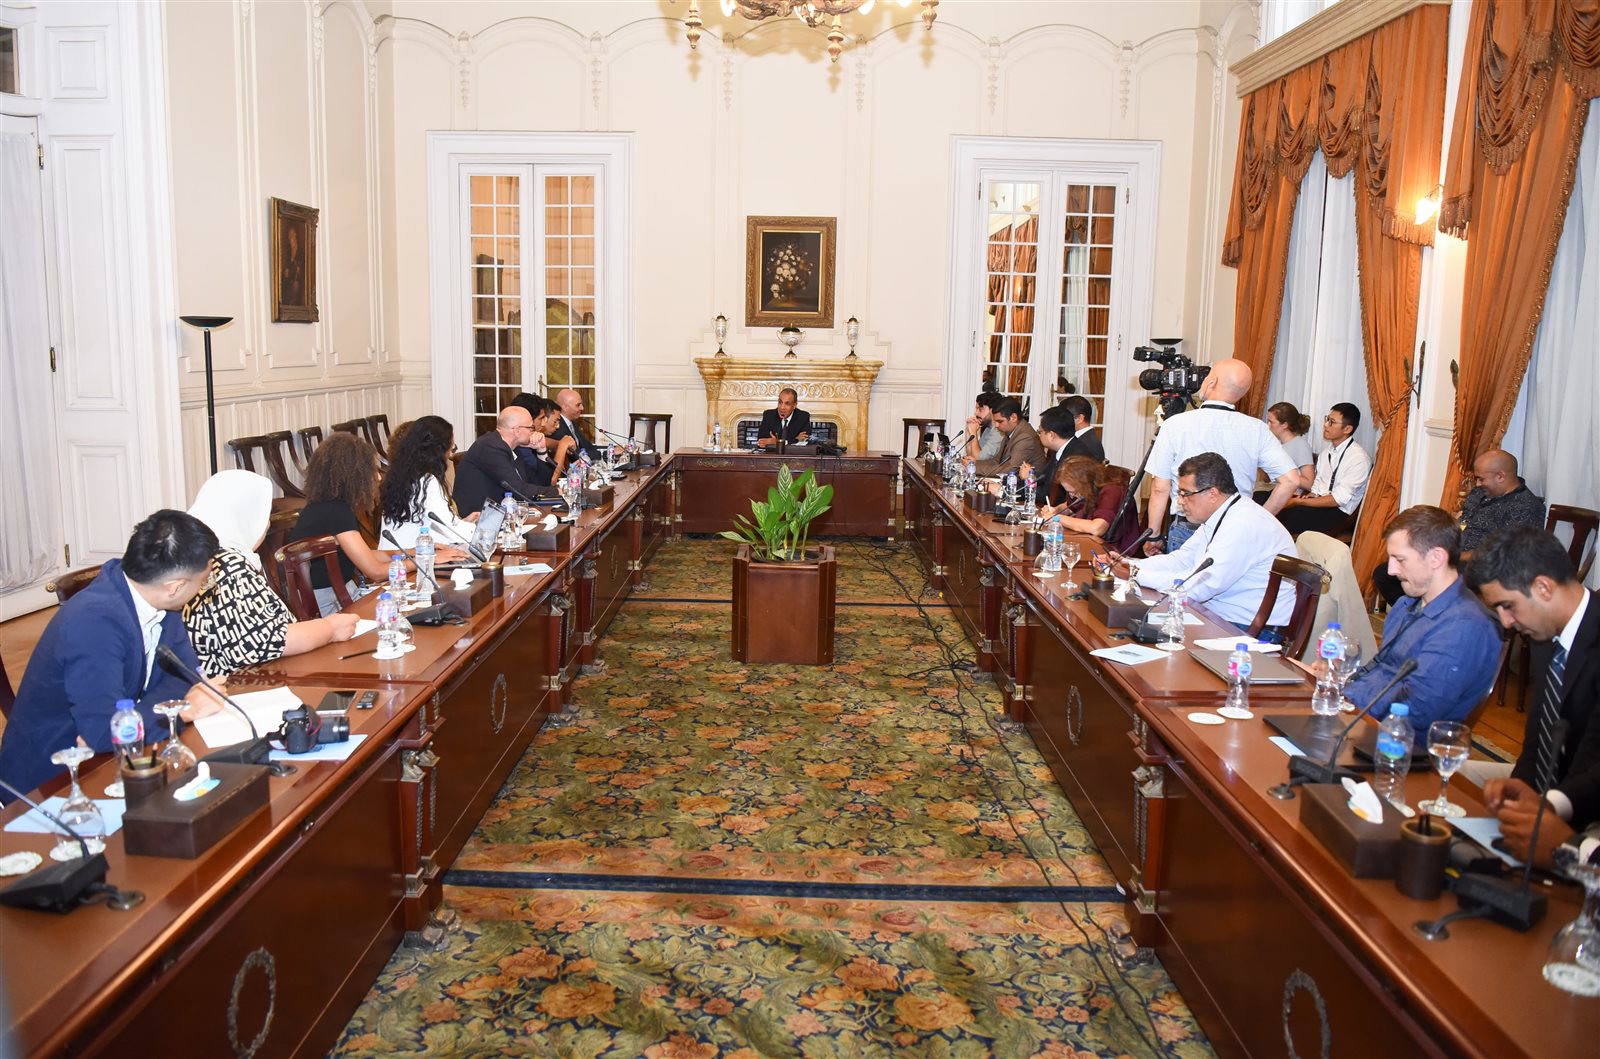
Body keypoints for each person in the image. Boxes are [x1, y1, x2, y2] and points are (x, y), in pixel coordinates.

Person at [0, 511, 227, 798]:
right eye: (204, 581)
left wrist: (131, 719)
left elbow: (184, 676)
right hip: (52, 784)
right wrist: (184, 710)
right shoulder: (93, 621)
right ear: (175, 586)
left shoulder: (157, 598)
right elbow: (102, 732)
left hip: (116, 758)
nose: (203, 588)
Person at [1465, 527, 1599, 866]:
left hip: (1587, 801)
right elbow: (1539, 735)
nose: (1506, 622)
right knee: (1446, 778)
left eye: (1508, 606)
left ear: (1543, 587)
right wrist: (1519, 789)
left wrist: (1548, 805)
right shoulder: (1544, 633)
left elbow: (1594, 765)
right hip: (1555, 784)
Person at [182, 470, 360, 676]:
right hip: (239, 685)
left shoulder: (198, 557)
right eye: (261, 515)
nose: (266, 525)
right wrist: (330, 628)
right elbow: (266, 640)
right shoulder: (227, 565)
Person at [1340, 506, 1501, 731]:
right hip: (1362, 718)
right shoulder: (1405, 605)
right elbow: (1382, 670)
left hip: (1396, 742)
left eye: (1400, 559)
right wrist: (1338, 685)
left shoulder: (1464, 626)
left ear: (1436, 558)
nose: (1391, 570)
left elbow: (1418, 711)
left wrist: (1348, 701)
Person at [1116, 452, 1296, 629]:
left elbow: (1200, 587)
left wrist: (1137, 575)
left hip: (1248, 627)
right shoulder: (1223, 514)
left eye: (1186, 494)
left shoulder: (1243, 523)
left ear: (1212, 494)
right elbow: (1182, 559)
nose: (1180, 501)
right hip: (1220, 615)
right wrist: (1129, 564)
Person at [1144, 358, 1299, 555]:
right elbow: (1291, 480)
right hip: (1236, 529)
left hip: (1188, 526)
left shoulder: (1175, 425)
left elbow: (1160, 488)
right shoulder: (1257, 429)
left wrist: (1153, 536)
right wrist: (1258, 519)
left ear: (1212, 382)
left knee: (1182, 575)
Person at [1373, 448, 1545, 606]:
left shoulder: (1525, 507)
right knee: (1385, 573)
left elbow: (1510, 552)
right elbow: (1461, 522)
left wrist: (1456, 556)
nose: (1477, 484)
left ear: (1500, 476)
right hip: (1451, 552)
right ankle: (1419, 615)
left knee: (1423, 573)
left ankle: (1434, 615)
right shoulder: (1479, 493)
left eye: (1481, 478)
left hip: (1484, 567)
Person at [288, 431, 408, 616]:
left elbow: (364, 555)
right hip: (328, 605)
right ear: (353, 475)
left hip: (335, 596)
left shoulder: (326, 507)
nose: (378, 477)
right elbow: (375, 572)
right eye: (372, 470)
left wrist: (410, 553)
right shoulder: (336, 512)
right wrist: (423, 562)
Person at [380, 415, 479, 551]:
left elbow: (430, 523)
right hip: (414, 557)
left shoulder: (399, 474)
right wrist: (481, 531)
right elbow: (447, 529)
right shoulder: (427, 481)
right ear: (438, 449)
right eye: (450, 447)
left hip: (392, 554)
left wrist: (461, 524)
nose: (450, 455)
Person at [1277, 403, 1371, 537]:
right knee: (1265, 498)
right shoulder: (1326, 452)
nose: (1326, 425)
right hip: (1317, 502)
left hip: (1336, 511)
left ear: (1347, 429)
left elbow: (1338, 500)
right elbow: (1316, 486)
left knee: (1285, 515)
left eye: (1332, 422)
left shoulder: (1359, 458)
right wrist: (1307, 497)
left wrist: (1300, 501)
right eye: (1327, 419)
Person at [456, 405, 563, 513]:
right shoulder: (490, 447)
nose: (533, 432)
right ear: (517, 431)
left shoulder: (513, 448)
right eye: (531, 428)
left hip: (503, 513)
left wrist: (541, 450)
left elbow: (539, 483)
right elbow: (519, 490)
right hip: (479, 518)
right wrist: (557, 491)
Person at [1043, 456, 1141, 552]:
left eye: (1073, 492)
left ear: (1084, 484)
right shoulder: (1088, 488)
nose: (1071, 496)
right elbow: (1070, 506)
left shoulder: (1112, 491)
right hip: (1091, 541)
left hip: (1113, 550)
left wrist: (1057, 518)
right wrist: (1056, 510)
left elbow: (1097, 528)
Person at [974, 397, 1043, 478]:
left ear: (1013, 418)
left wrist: (974, 468)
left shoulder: (1025, 437)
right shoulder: (1010, 431)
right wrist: (973, 464)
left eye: (1000, 421)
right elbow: (997, 461)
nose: (996, 425)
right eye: (995, 421)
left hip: (1027, 484)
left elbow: (1010, 470)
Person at [1024, 405, 1074, 506]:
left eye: (1040, 432)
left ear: (1051, 435)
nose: (1039, 435)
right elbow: (1043, 480)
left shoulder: (1075, 457)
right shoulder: (1058, 450)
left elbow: (1049, 494)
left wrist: (1028, 480)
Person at [1264, 401, 1315, 494]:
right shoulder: (1276, 444)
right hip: (1274, 491)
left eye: (1271, 422)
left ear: (1285, 425)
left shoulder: (1300, 445)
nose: (1268, 426)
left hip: (1289, 496)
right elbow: (1267, 479)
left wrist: (1280, 472)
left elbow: (1309, 484)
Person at [550, 387, 603, 460]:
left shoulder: (572, 423)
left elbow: (588, 447)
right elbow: (576, 456)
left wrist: (610, 452)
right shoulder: (558, 427)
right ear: (565, 407)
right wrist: (603, 454)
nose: (582, 408)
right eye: (578, 405)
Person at [1059, 395, 1105, 463]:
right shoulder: (1083, 438)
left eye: (1064, 418)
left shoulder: (1087, 445)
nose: (1060, 422)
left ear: (1080, 419)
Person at [963, 391, 1004, 463]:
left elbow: (978, 459)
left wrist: (973, 433)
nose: (976, 413)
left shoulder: (998, 432)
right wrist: (969, 430)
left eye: (980, 409)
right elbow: (971, 455)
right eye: (976, 409)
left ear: (992, 410)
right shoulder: (988, 428)